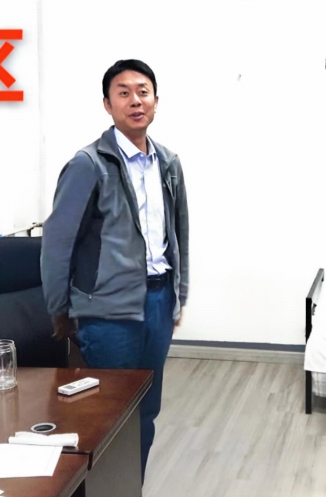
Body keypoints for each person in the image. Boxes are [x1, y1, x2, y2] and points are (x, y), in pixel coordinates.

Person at [40, 59, 189, 481]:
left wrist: (179, 295)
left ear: (156, 101)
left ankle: (129, 487)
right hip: (107, 311)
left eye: (143, 91)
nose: (135, 101)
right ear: (107, 104)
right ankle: (104, 487)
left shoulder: (168, 162)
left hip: (158, 300)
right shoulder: (88, 165)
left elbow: (179, 234)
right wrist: (59, 308)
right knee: (109, 412)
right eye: (123, 93)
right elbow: (57, 243)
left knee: (147, 410)